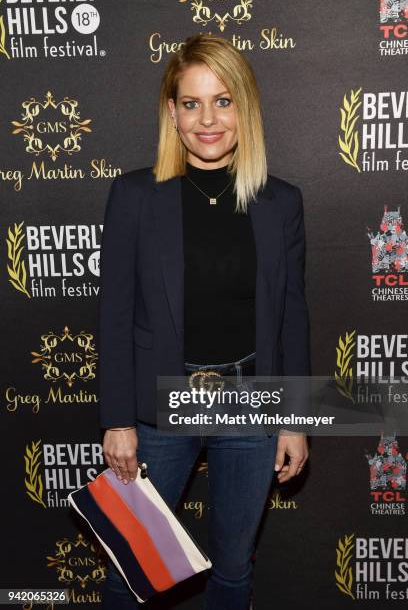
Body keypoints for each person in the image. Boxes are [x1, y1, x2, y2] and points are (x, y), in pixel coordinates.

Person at [98, 33, 310, 610]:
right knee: (129, 569)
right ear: (172, 111)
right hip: (159, 408)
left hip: (251, 404)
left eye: (223, 100)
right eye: (191, 103)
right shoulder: (136, 196)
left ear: (246, 107)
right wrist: (117, 419)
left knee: (234, 570)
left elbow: (292, 318)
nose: (208, 119)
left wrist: (295, 421)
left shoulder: (280, 202)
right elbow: (113, 316)